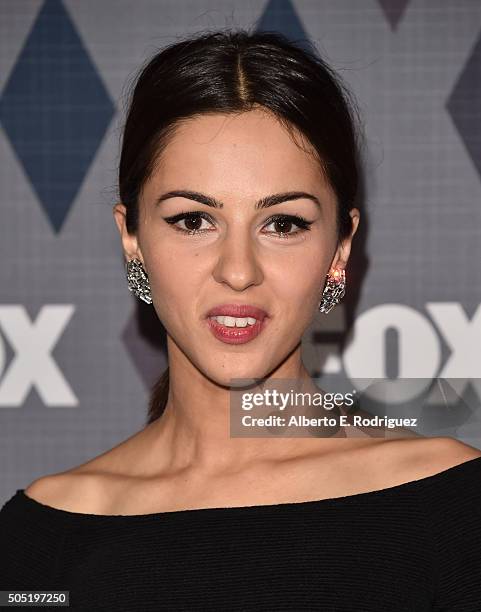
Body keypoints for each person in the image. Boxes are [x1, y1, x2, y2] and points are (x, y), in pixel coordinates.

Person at [1, 28, 481, 611]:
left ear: (340, 248)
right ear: (131, 238)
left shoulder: (452, 506)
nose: (237, 271)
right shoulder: (42, 536)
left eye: (283, 224)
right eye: (192, 220)